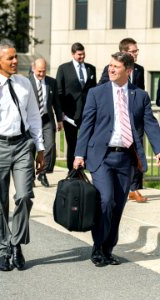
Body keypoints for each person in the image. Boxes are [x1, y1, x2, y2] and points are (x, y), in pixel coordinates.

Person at [73, 52, 160, 267]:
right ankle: (97, 246)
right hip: (101, 156)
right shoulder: (97, 93)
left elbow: (150, 124)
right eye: (110, 65)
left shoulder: (140, 95)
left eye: (116, 67)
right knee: (105, 200)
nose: (111, 69)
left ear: (128, 71)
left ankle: (108, 249)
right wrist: (79, 153)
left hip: (126, 159)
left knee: (118, 205)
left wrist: (159, 150)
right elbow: (87, 125)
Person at [0, 39, 45, 271]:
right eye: (10, 58)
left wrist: (41, 148)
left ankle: (17, 243)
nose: (16, 61)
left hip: (23, 145)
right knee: (0, 202)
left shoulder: (24, 83)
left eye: (15, 57)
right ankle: (3, 250)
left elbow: (34, 116)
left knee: (24, 196)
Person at [98, 37, 146, 203]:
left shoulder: (139, 70)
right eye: (133, 51)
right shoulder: (110, 69)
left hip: (135, 121)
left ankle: (135, 188)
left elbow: (142, 95)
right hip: (117, 121)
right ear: (124, 52)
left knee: (137, 153)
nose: (136, 54)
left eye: (136, 51)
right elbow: (101, 90)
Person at [56, 42, 97, 172]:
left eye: (83, 53)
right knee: (72, 143)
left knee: (88, 142)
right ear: (73, 54)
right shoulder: (63, 68)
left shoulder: (91, 68)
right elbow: (59, 91)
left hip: (87, 112)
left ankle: (85, 168)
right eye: (79, 54)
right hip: (69, 114)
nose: (82, 56)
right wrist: (60, 112)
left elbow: (94, 90)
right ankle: (72, 171)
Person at [29, 58, 63, 187]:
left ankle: (42, 173)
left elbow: (56, 102)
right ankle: (31, 175)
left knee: (49, 146)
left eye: (44, 71)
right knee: (31, 148)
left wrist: (59, 119)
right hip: (31, 120)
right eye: (39, 71)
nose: (42, 74)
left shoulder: (51, 82)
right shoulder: (27, 82)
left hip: (46, 119)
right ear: (33, 68)